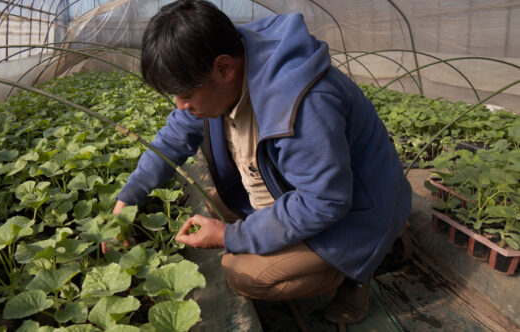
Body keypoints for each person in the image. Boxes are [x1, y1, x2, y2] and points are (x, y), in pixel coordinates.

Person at [113, 0, 412, 324]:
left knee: (241, 273)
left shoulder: (304, 102)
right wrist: (126, 201)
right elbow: (173, 139)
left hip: (356, 215)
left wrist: (231, 237)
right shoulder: (223, 70)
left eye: (185, 93)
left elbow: (324, 201)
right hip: (297, 192)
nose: (180, 105)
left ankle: (358, 270)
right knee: (212, 208)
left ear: (224, 68)